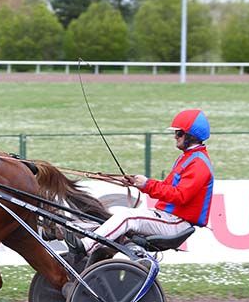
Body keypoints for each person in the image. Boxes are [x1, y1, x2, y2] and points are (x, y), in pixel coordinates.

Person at [68, 109, 214, 259]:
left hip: (176, 223)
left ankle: (86, 246)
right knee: (110, 218)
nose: (175, 137)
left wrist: (147, 184)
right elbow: (168, 188)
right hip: (167, 218)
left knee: (127, 217)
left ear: (190, 136)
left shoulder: (198, 163)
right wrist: (138, 183)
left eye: (179, 133)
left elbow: (180, 196)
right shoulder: (188, 158)